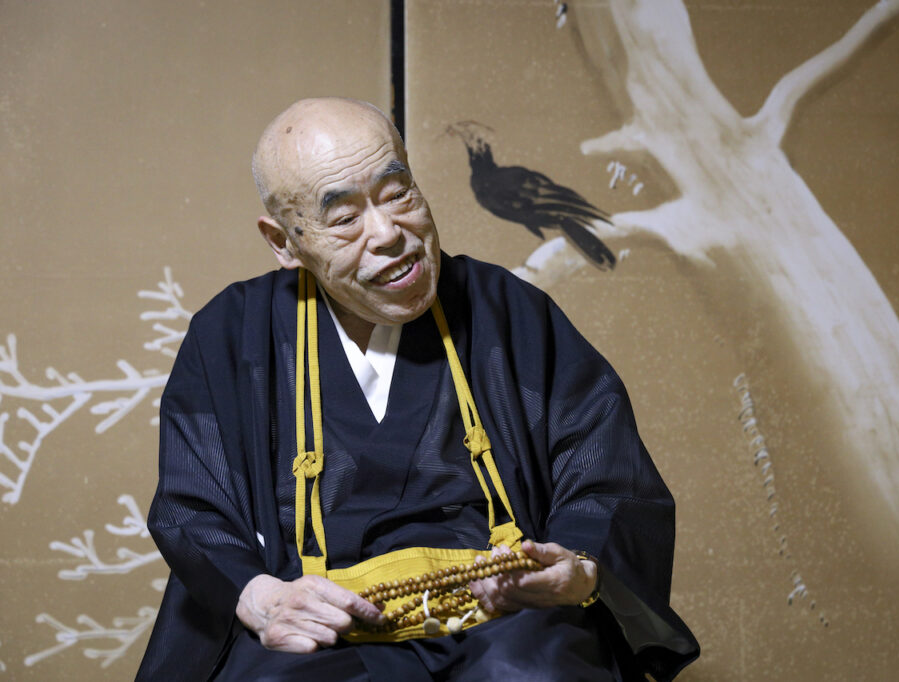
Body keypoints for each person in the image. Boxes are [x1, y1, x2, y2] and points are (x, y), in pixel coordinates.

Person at [137, 97, 698, 681]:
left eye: (397, 192)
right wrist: (262, 597)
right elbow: (190, 506)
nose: (387, 233)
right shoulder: (232, 335)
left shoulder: (507, 311)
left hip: (501, 619)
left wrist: (577, 568)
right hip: (317, 625)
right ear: (284, 242)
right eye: (344, 216)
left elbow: (607, 475)